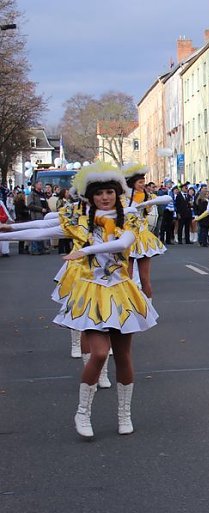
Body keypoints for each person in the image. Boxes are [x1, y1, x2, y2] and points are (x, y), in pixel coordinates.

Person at [0, 162, 159, 437]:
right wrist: (10, 230)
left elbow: (123, 245)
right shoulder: (79, 221)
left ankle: (124, 415)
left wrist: (83, 251)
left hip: (121, 290)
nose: (105, 197)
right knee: (98, 353)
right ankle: (82, 413)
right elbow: (44, 230)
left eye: (110, 191)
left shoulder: (129, 219)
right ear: (91, 196)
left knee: (123, 356)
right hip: (91, 292)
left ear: (117, 193)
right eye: (99, 193)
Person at [123, 163, 168, 299]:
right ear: (132, 183)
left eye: (144, 182)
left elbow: (167, 198)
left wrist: (146, 203)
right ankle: (130, 308)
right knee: (127, 277)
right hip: (126, 237)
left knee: (145, 278)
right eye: (140, 182)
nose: (143, 185)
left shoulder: (147, 196)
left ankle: (149, 309)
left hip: (142, 237)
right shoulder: (122, 197)